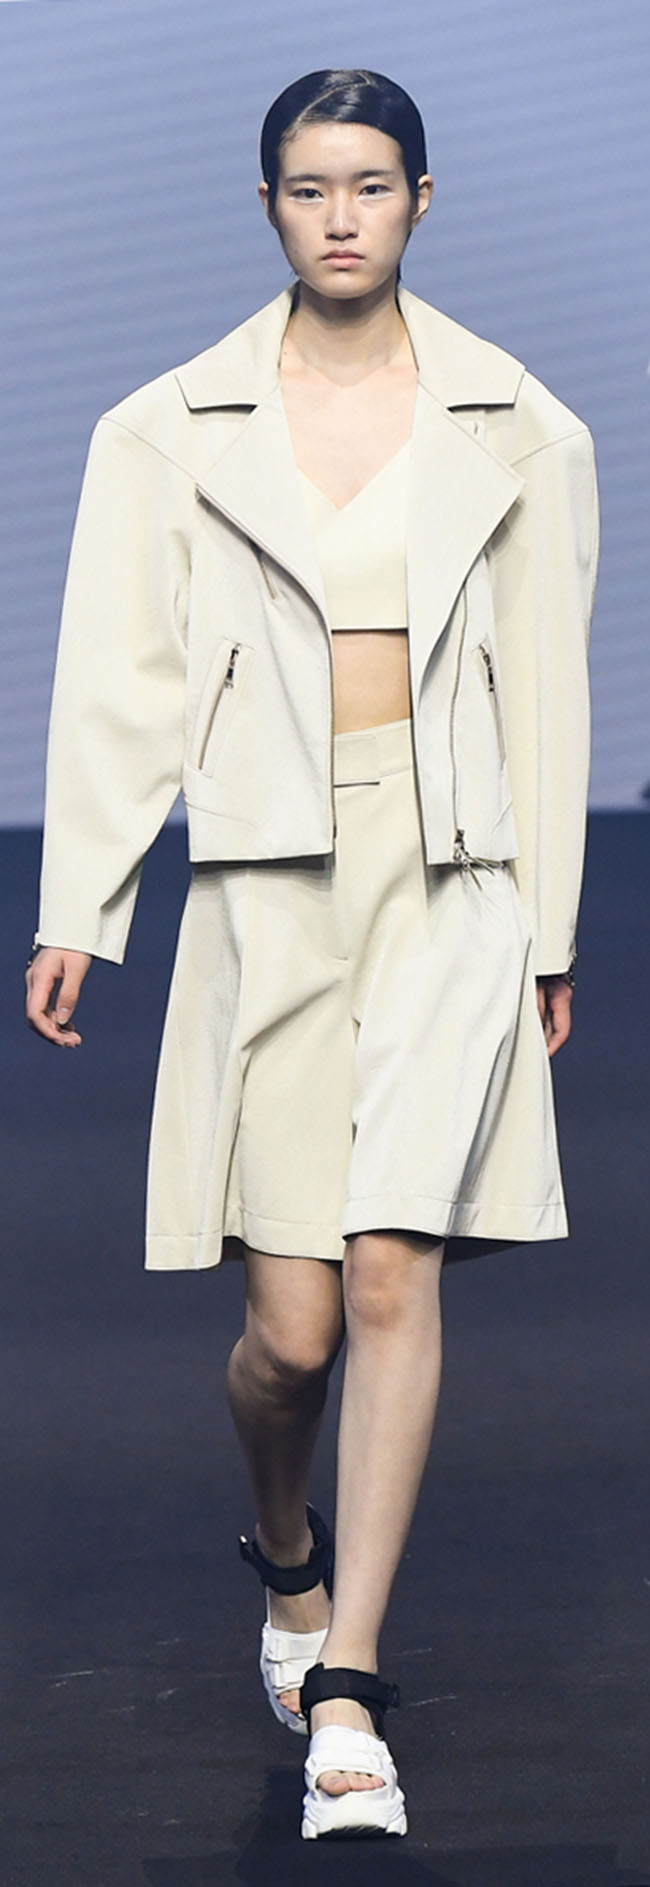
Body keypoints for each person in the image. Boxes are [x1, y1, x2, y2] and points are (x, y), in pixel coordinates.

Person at [25, 68, 599, 1840]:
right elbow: (120, 672)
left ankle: (347, 1687)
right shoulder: (164, 428)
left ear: (422, 198)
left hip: (449, 872)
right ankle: (285, 1554)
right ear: (266, 205)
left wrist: (549, 924)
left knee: (387, 1274)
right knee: (285, 1335)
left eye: (368, 183)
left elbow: (547, 686)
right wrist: (80, 901)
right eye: (305, 186)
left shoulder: (522, 425)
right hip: (266, 877)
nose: (338, 215)